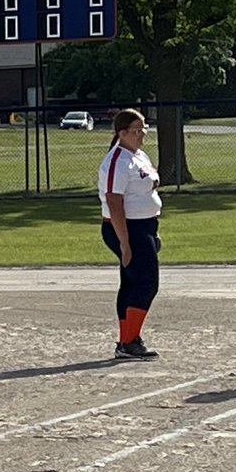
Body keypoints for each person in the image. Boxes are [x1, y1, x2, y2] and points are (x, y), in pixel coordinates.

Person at [98, 108, 161, 360]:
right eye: (134, 131)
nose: (140, 134)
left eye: (142, 129)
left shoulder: (139, 155)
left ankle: (127, 341)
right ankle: (129, 341)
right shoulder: (117, 160)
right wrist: (125, 243)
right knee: (147, 283)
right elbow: (114, 202)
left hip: (143, 226)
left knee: (132, 283)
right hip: (126, 227)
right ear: (121, 133)